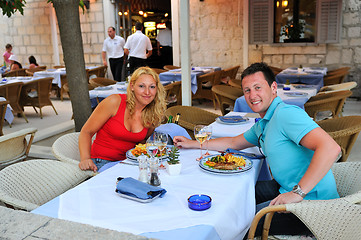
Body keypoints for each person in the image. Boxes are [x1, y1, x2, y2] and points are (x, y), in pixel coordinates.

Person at [173, 62, 341, 237]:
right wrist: (192, 143)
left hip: (313, 206)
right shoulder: (265, 122)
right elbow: (234, 142)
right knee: (235, 197)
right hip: (285, 187)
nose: (252, 95)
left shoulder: (286, 114)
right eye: (247, 90)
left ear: (273, 87)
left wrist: (298, 193)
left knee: (236, 224)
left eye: (258, 87)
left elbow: (331, 148)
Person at [78, 67, 166, 172]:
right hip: (100, 162)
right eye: (141, 86)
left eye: (152, 87)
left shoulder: (152, 114)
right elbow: (86, 132)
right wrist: (85, 159)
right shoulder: (114, 102)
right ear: (132, 86)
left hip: (128, 164)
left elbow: (142, 141)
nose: (147, 92)